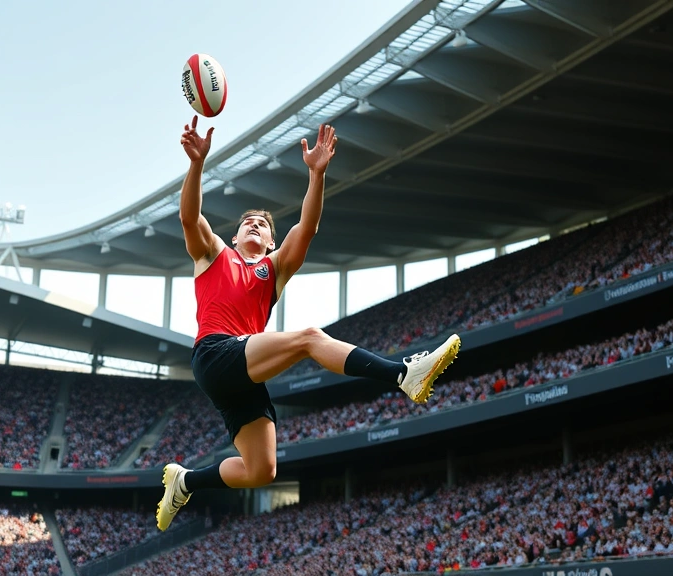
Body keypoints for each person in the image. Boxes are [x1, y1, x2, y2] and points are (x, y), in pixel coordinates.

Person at [156, 116, 461, 530]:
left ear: (270, 242)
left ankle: (185, 480)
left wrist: (316, 174)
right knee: (308, 337)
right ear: (232, 237)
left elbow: (309, 227)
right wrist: (196, 165)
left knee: (262, 471)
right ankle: (403, 374)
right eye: (247, 221)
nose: (253, 224)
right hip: (213, 354)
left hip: (241, 369)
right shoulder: (213, 254)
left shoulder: (275, 267)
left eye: (262, 224)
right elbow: (190, 218)